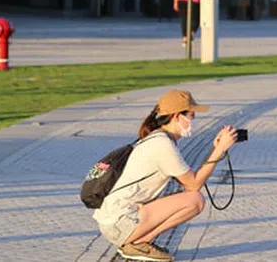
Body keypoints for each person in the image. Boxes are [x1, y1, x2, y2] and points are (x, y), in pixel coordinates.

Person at [93, 90, 237, 262]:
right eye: (191, 115)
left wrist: (216, 149)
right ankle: (139, 243)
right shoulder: (162, 145)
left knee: (190, 197)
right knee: (195, 200)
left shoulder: (158, 139)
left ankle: (138, 243)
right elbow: (193, 185)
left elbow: (189, 181)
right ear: (177, 116)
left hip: (115, 220)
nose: (193, 121)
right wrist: (220, 150)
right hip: (120, 223)